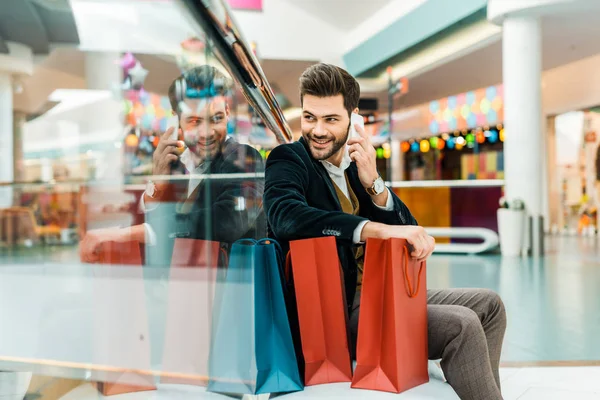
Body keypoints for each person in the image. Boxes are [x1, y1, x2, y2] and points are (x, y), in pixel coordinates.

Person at [263, 63, 507, 400]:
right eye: (309, 117)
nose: (317, 130)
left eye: (331, 119)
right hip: (335, 310)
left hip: (379, 292)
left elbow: (407, 232)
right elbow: (285, 216)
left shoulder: (356, 167)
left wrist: (375, 185)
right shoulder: (288, 159)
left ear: (354, 118)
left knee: (490, 305)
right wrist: (371, 229)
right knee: (462, 325)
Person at [80, 65, 265, 264]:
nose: (207, 132)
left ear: (227, 111)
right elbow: (161, 227)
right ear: (177, 120)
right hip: (187, 285)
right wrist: (158, 183)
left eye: (216, 118)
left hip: (235, 288)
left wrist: (127, 234)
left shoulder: (244, 158)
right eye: (195, 121)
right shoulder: (179, 164)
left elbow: (229, 221)